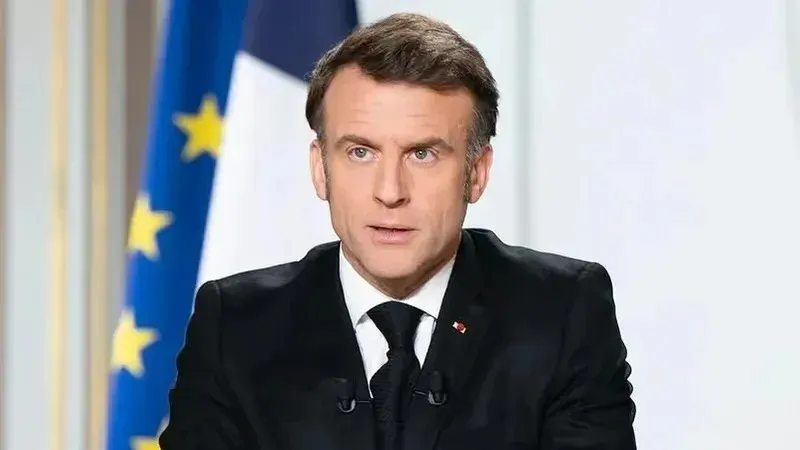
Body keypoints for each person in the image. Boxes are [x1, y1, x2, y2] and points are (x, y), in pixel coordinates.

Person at [160, 12, 636, 450]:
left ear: (476, 173)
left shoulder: (562, 313)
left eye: (422, 154)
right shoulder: (236, 326)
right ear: (320, 169)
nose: (390, 192)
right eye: (360, 153)